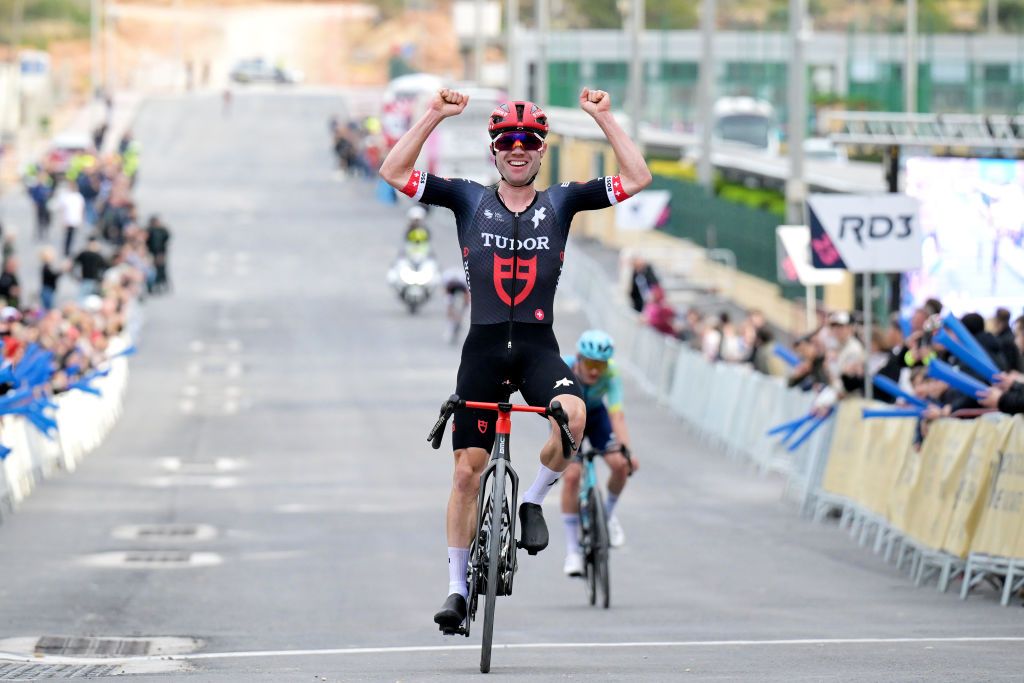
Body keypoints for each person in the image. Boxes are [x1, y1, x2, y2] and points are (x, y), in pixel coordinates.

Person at [379, 87, 651, 630]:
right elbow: (393, 170)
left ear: (541, 150)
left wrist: (602, 117)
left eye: (529, 141)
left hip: (536, 349)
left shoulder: (563, 202)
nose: (518, 148)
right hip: (482, 350)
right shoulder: (467, 199)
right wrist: (433, 114)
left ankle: (532, 500)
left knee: (573, 415)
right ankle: (456, 590)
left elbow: (638, 178)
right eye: (508, 140)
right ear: (494, 149)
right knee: (465, 476)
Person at [560, 330, 638, 576]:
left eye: (600, 365)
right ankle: (573, 551)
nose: (595, 371)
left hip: (596, 417)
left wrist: (626, 450)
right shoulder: (564, 369)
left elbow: (616, 414)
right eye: (591, 364)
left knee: (620, 465)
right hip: (568, 419)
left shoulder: (611, 375)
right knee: (572, 476)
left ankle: (607, 516)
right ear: (579, 359)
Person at [56, 179, 85, 257]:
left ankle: (69, 250)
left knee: (72, 235)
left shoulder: (78, 196)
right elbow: (63, 209)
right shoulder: (66, 196)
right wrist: (63, 220)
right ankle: (66, 250)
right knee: (68, 235)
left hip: (75, 219)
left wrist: (81, 219)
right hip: (68, 219)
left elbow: (81, 209)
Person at [441, 266, 470, 344]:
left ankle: (461, 321)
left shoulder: (464, 279)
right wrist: (450, 311)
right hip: (452, 286)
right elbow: (445, 293)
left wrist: (465, 307)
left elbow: (468, 294)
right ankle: (451, 326)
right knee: (448, 305)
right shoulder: (446, 278)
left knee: (467, 306)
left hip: (463, 287)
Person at [73, 237, 108, 301]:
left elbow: (74, 263)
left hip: (86, 279)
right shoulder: (98, 256)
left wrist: (76, 276)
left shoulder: (84, 254)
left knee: (82, 297)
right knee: (90, 298)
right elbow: (105, 267)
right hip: (93, 279)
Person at [145, 214, 172, 293]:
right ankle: (154, 284)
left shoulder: (162, 230)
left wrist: (161, 253)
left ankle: (163, 283)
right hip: (152, 252)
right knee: (152, 269)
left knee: (162, 268)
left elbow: (166, 238)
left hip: (161, 252)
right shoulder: (149, 230)